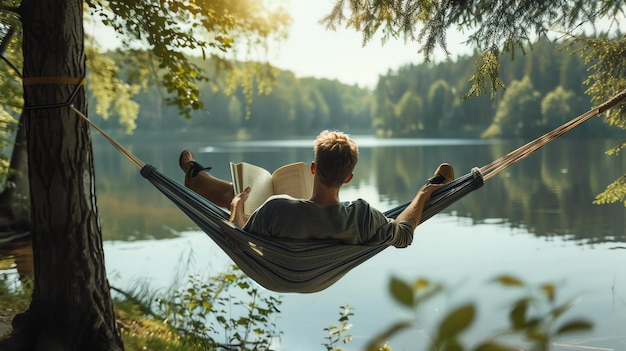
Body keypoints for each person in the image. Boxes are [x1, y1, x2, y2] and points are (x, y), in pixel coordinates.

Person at [179, 130, 454, 248]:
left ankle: (195, 175)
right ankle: (196, 175)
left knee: (239, 196)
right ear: (348, 178)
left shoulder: (277, 208)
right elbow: (404, 234)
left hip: (275, 262)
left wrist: (237, 208)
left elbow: (241, 242)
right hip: (318, 274)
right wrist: (424, 193)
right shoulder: (363, 217)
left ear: (313, 169)